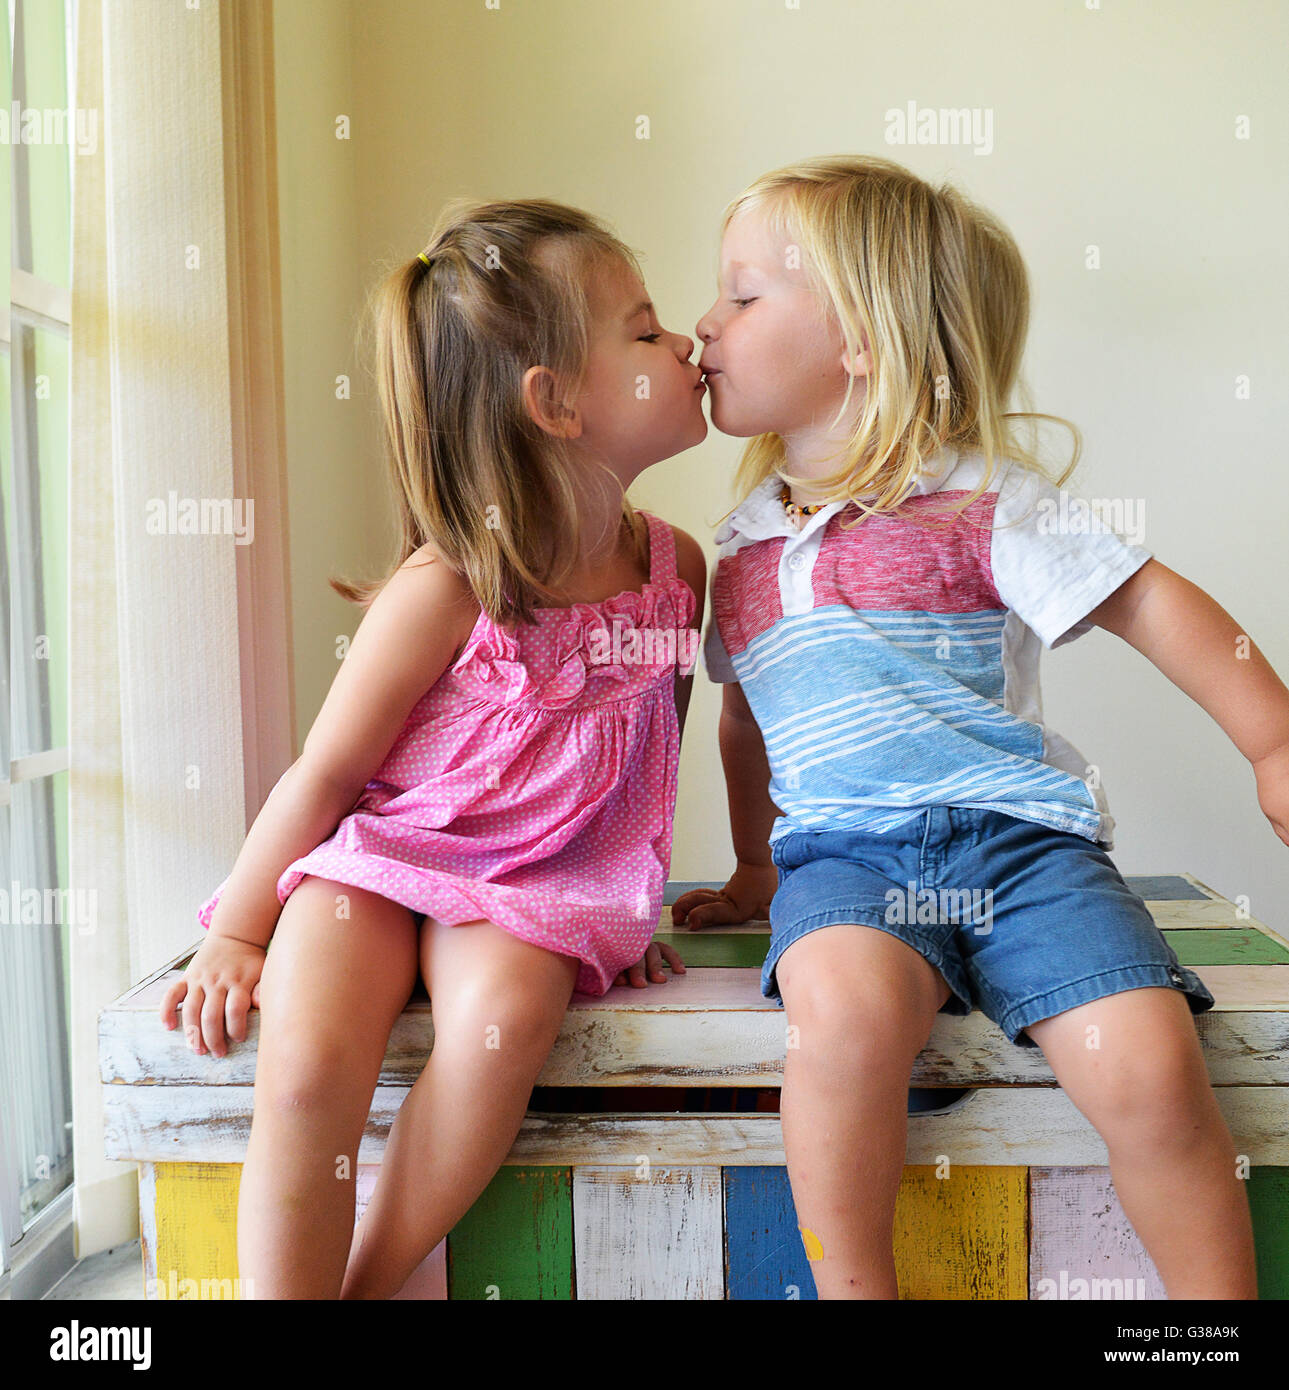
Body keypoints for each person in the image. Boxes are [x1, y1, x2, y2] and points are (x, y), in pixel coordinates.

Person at [675, 155, 1287, 1299]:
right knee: (843, 1021)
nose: (701, 325)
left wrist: (1271, 740)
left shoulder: (980, 499)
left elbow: (1149, 600)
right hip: (842, 859)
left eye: (742, 296)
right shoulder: (740, 548)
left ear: (858, 336)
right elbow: (745, 718)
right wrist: (757, 860)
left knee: (1145, 1059)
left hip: (1022, 850)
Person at [160, 197, 708, 1298]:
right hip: (383, 862)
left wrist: (618, 905)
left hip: (531, 886)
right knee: (309, 1062)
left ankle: (363, 1288)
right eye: (645, 330)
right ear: (553, 402)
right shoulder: (446, 584)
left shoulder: (676, 571)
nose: (685, 339)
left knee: (506, 1024)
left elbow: (650, 761)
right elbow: (325, 772)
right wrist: (241, 925)